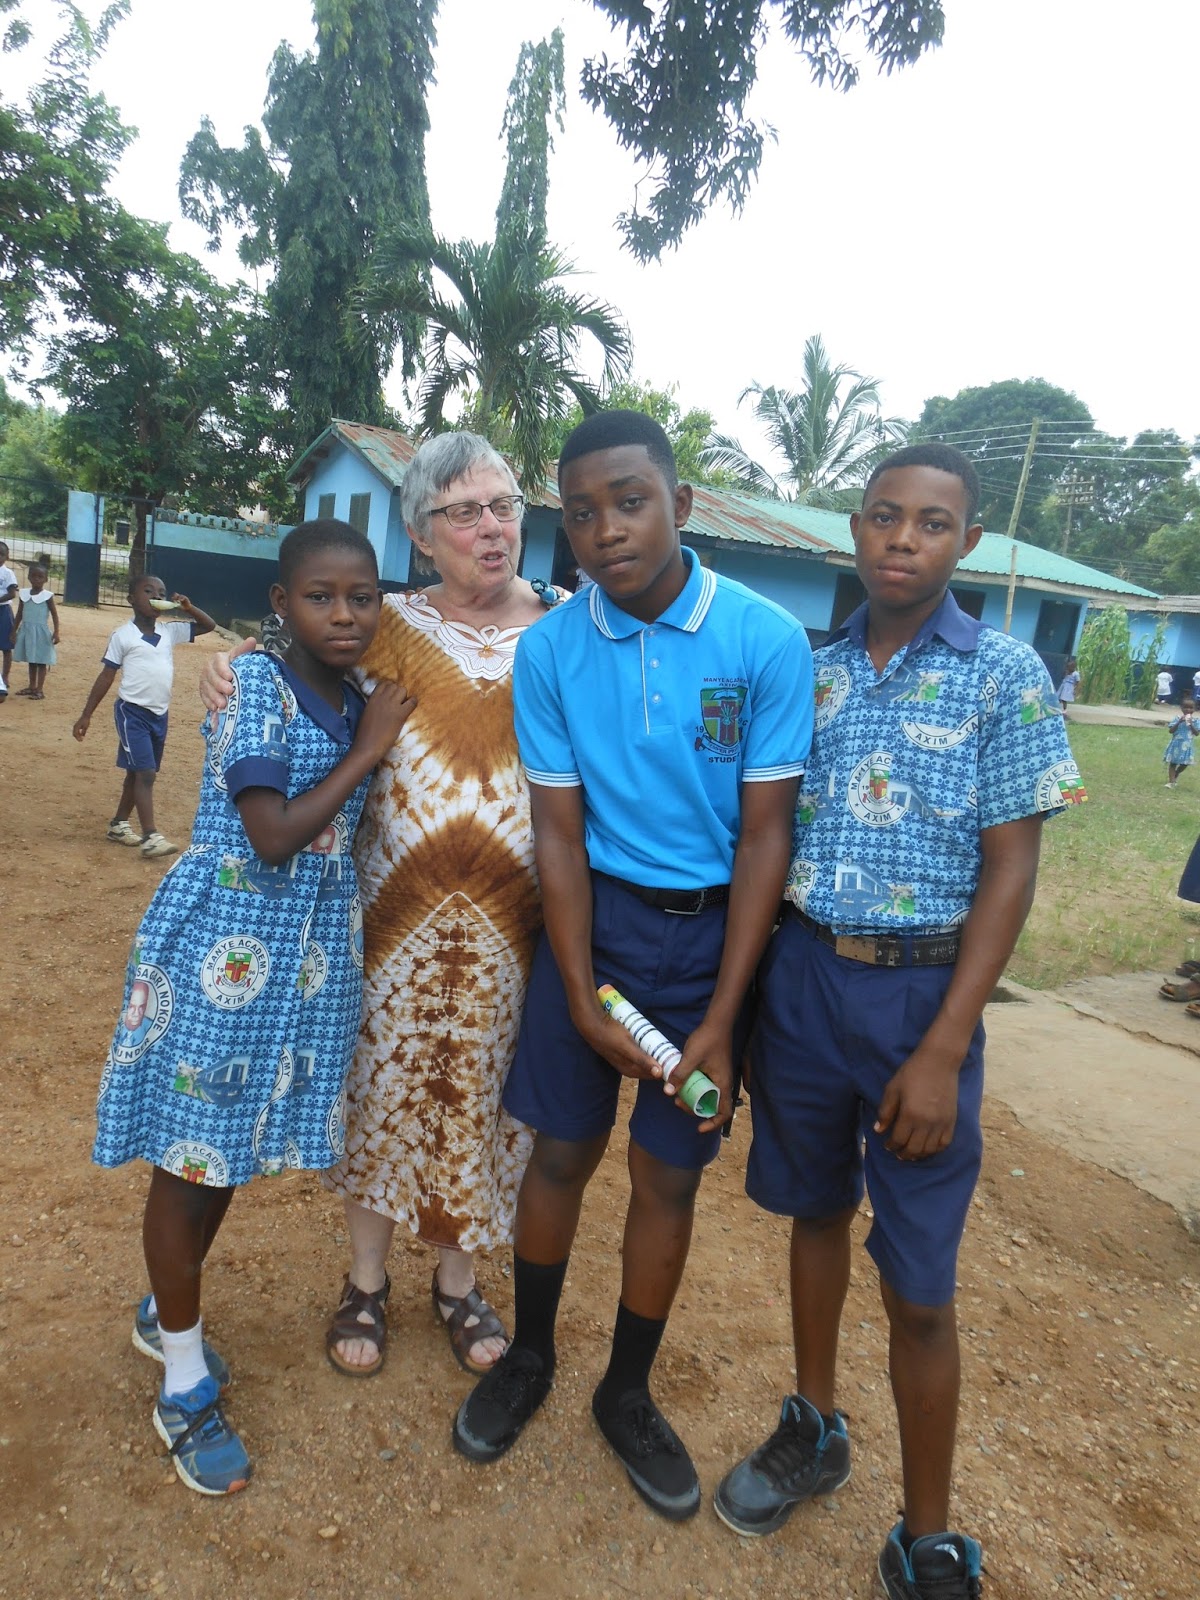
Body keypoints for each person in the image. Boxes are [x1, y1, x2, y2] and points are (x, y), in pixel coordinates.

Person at [712, 443, 1085, 1598]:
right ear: (854, 527)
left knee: (920, 1282)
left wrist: (944, 1044)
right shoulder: (810, 671)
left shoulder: (1004, 674)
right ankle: (813, 1424)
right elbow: (763, 824)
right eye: (883, 515)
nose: (903, 539)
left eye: (931, 522)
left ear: (967, 540)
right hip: (805, 979)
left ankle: (926, 1535)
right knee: (814, 1212)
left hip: (922, 999)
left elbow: (1011, 868)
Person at [451, 410, 813, 1523]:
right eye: (582, 513)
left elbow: (766, 838)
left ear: (681, 505)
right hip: (592, 926)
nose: (606, 529)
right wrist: (575, 991)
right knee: (559, 1152)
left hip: (713, 943)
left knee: (668, 1176)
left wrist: (723, 1015)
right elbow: (558, 836)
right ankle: (532, 1354)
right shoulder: (553, 650)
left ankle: (627, 1389)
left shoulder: (763, 640)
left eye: (630, 501)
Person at [200, 433, 561, 1380]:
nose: (493, 528)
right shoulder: (383, 624)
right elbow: (293, 656)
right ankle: (365, 1281)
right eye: (465, 513)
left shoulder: (568, 626)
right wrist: (232, 659)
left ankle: (457, 1280)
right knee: (379, 1092)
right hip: (388, 921)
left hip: (516, 930)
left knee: (487, 1099)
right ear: (422, 535)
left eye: (505, 506)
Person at [92, 519, 413, 1496]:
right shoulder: (258, 689)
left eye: (362, 597)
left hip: (300, 967)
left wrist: (368, 726)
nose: (345, 614)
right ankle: (182, 1381)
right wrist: (369, 750)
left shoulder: (355, 692)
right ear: (281, 603)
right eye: (320, 596)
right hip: (223, 956)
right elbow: (270, 833)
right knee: (189, 1161)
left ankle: (167, 1318)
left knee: (226, 1149)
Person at [72, 576, 216, 858]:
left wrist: (188, 608)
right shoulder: (122, 635)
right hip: (132, 713)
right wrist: (86, 715)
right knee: (145, 773)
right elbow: (106, 676)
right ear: (131, 600)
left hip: (159, 714)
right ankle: (151, 835)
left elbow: (208, 626)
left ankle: (118, 825)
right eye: (148, 591)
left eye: (161, 592)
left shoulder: (169, 631)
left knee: (136, 772)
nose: (156, 596)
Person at [12, 563, 59, 698]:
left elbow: (54, 614)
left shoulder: (47, 596)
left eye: (40, 577)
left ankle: (39, 689)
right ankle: (32, 686)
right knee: (31, 660)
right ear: (29, 577)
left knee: (41, 661)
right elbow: (19, 614)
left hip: (41, 633)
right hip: (27, 631)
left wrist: (56, 632)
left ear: (46, 579)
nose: (37, 579)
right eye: (34, 576)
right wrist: (14, 631)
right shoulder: (24, 594)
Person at [1163, 698, 1199, 788]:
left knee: (1185, 763)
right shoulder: (1177, 718)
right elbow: (1171, 731)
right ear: (1181, 708)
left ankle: (1176, 773)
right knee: (1173, 763)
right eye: (1185, 707)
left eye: (1191, 708)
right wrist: (1179, 722)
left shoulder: (1196, 721)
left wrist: (1191, 724)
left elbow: (1196, 733)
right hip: (1176, 745)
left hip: (1187, 746)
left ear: (1194, 709)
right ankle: (1171, 782)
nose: (1188, 710)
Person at [0, 541, 18, 692]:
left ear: (7, 556)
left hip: (3, 612)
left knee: (6, 647)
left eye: (1, 554)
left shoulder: (8, 573)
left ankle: (5, 677)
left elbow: (12, 594)